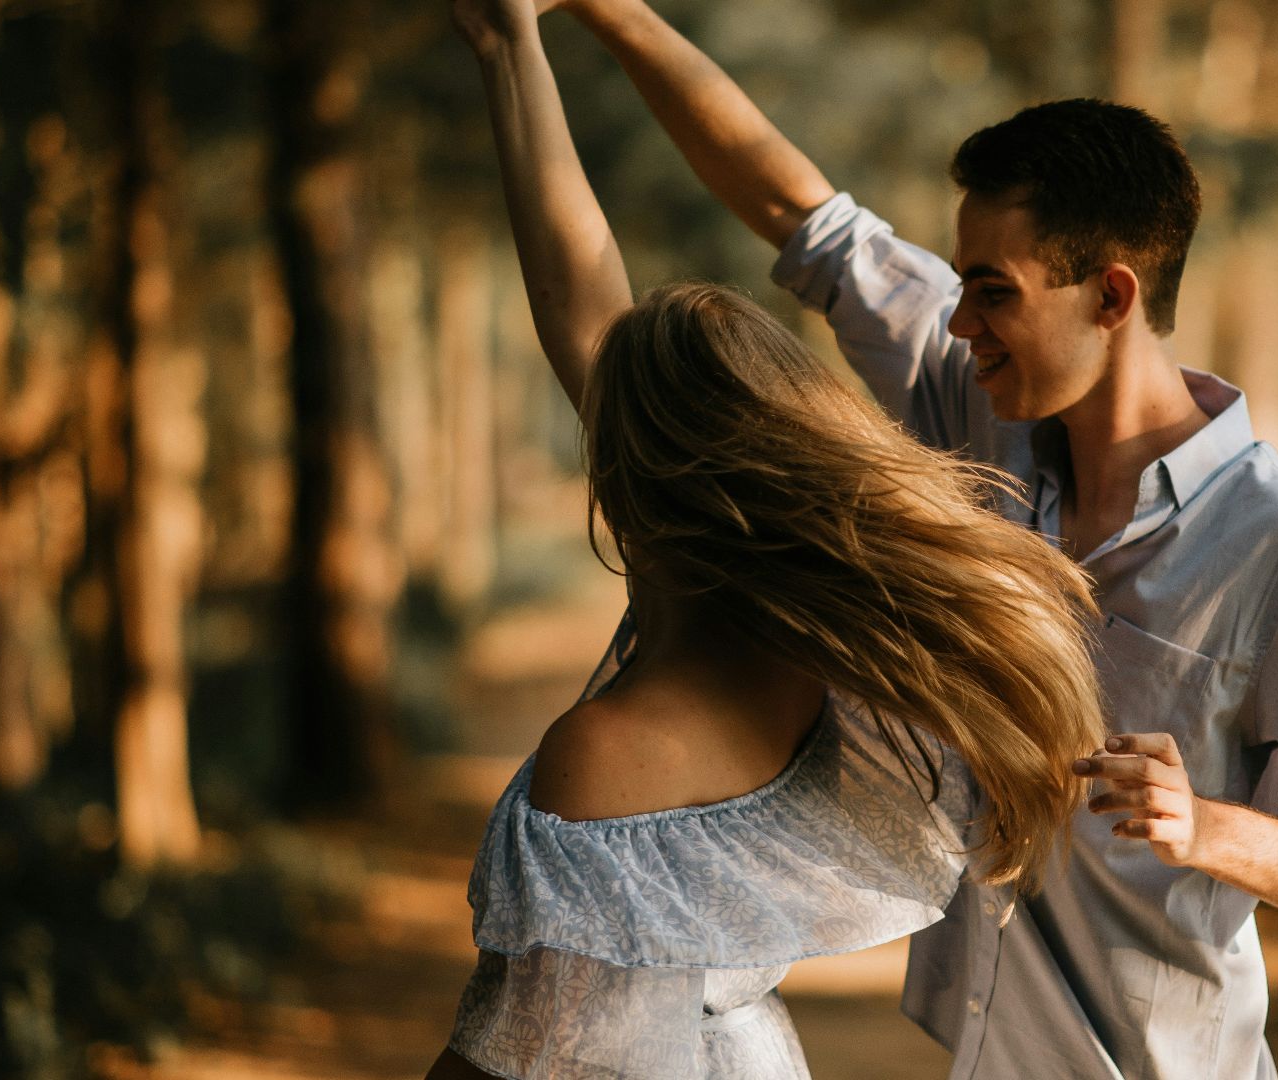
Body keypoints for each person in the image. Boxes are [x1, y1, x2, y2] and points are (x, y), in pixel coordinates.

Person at [547, 2, 1278, 1077]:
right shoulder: (980, 420)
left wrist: (1205, 827)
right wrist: (608, 12)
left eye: (991, 292)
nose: (959, 324)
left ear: (1112, 295)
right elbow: (800, 212)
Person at [424, 2, 1108, 1077]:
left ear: (636, 477)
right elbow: (578, 293)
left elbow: (524, 1055)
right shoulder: (842, 674)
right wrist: (513, 46)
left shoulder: (608, 752)